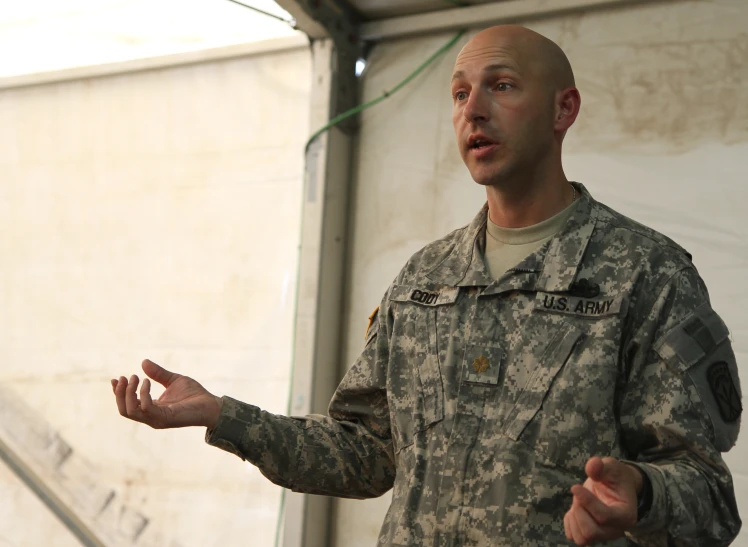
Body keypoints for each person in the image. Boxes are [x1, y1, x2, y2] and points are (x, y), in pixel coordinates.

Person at [111, 25, 743, 546]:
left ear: (563, 109)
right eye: (460, 93)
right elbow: (366, 454)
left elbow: (709, 496)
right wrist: (222, 414)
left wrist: (642, 492)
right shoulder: (423, 280)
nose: (475, 110)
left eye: (502, 86)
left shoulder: (645, 273)